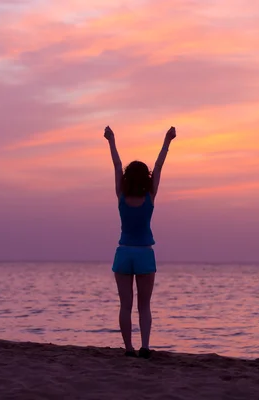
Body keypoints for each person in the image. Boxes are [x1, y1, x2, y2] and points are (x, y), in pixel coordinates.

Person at [104, 125, 176, 358]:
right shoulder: (150, 195)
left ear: (126, 177)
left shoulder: (121, 196)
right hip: (145, 254)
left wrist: (111, 140)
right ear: (146, 178)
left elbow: (116, 165)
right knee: (144, 306)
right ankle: (145, 347)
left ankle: (128, 349)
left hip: (124, 253)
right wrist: (167, 140)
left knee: (125, 305)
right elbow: (159, 165)